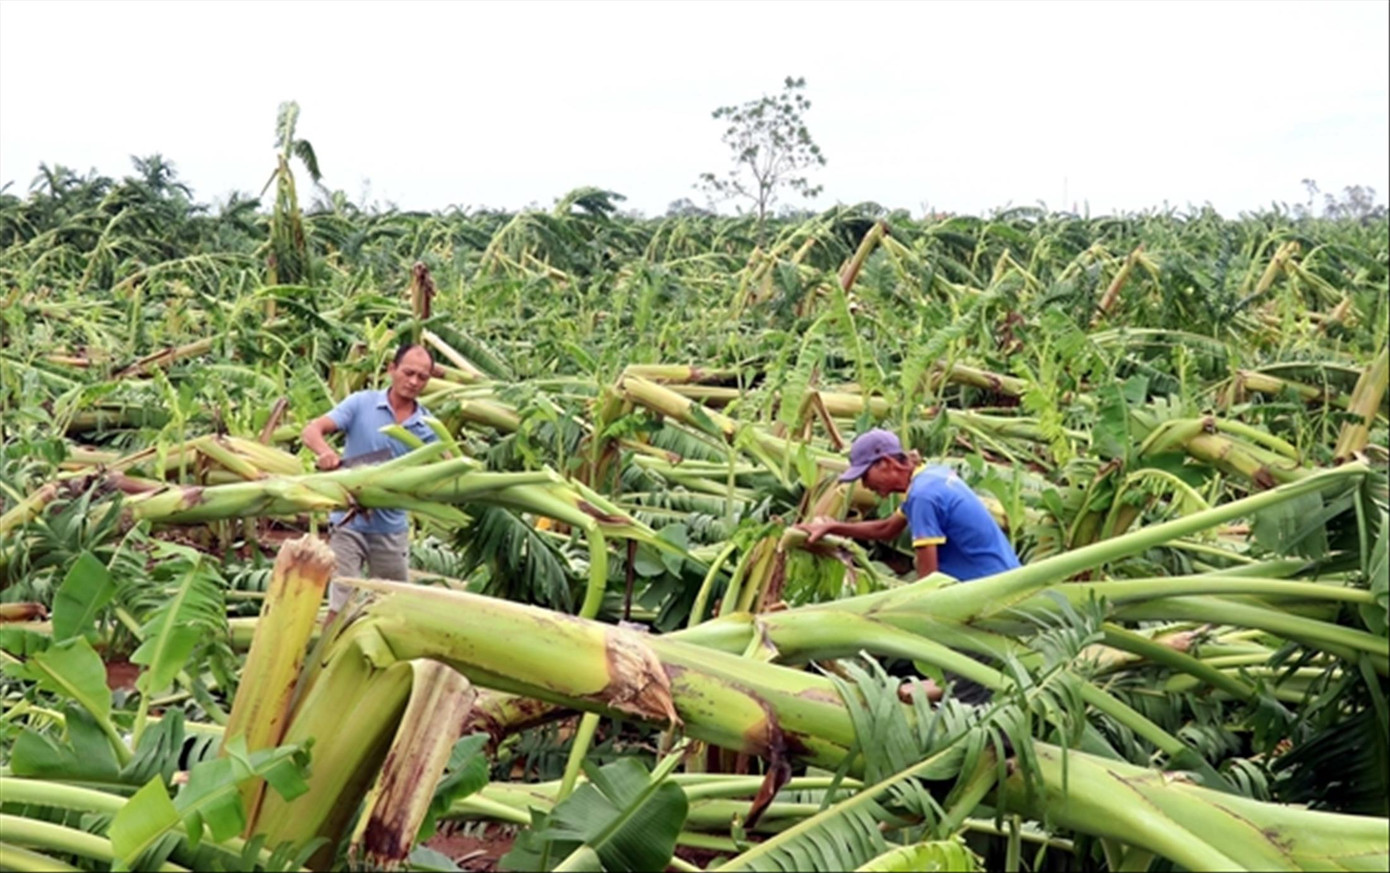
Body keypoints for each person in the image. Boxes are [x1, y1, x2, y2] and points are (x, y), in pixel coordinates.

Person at [796, 428, 1021, 703]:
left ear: (887, 463)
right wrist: (834, 527)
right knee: (958, 674)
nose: (865, 485)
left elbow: (928, 585)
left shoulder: (923, 497)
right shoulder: (929, 476)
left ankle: (978, 721)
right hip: (1001, 579)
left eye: (865, 475)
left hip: (985, 597)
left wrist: (883, 626)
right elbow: (887, 528)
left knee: (967, 696)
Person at [300, 343, 438, 618]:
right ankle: (329, 648)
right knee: (341, 606)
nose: (414, 382)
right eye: (408, 373)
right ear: (391, 369)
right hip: (348, 523)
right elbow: (312, 430)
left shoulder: (428, 427)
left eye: (422, 377)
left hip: (391, 529)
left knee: (391, 608)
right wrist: (326, 453)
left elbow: (440, 469)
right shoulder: (361, 404)